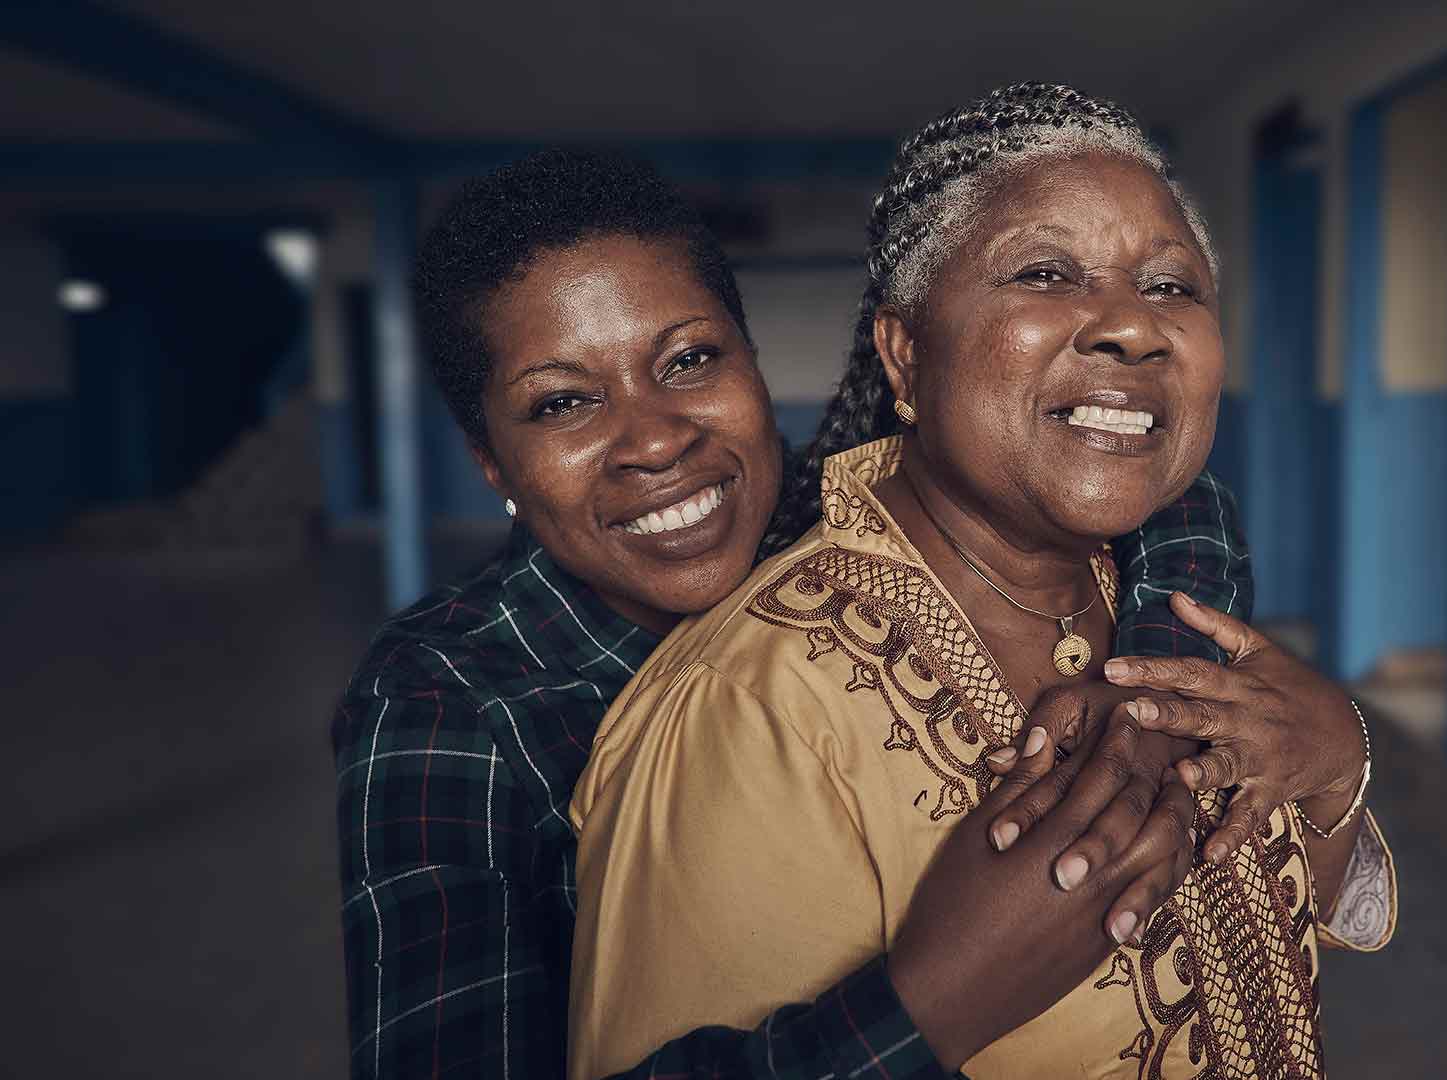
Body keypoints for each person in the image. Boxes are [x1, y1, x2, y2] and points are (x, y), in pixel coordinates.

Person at [332, 148, 1360, 1080]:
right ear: (491, 464)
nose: (654, 441)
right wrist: (931, 1002)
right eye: (562, 402)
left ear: (752, 362)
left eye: (690, 361)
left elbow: (1161, 487)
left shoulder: (822, 506)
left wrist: (1149, 705)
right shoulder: (447, 700)